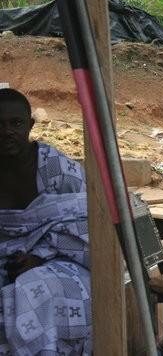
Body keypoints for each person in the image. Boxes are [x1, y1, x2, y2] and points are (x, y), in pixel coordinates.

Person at [0, 88, 91, 355]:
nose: (7, 132)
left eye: (15, 123)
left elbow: (88, 227)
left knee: (36, 289)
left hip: (61, 260)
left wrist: (38, 256)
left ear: (29, 125)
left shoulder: (59, 169)